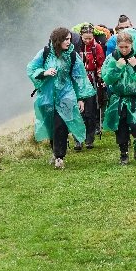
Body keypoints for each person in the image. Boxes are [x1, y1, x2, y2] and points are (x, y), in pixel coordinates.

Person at [27, 27, 96, 169]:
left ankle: (60, 156)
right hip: (47, 96)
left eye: (70, 39)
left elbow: (79, 77)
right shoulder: (45, 53)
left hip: (66, 95)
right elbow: (31, 68)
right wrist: (44, 72)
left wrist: (80, 98)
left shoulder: (72, 55)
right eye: (66, 39)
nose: (69, 42)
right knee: (51, 126)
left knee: (61, 125)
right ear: (58, 40)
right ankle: (55, 150)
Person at [101, 28, 136, 165]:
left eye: (127, 47)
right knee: (121, 126)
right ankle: (123, 153)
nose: (124, 50)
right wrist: (117, 67)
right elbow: (107, 78)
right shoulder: (112, 57)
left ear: (132, 45)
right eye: (121, 47)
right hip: (118, 98)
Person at [75, 23, 105, 149]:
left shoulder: (96, 47)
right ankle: (78, 139)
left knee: (90, 111)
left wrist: (100, 74)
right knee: (78, 111)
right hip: (78, 81)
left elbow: (101, 63)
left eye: (90, 38)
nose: (87, 41)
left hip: (92, 81)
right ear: (81, 36)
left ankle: (89, 139)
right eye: (85, 38)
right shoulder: (76, 47)